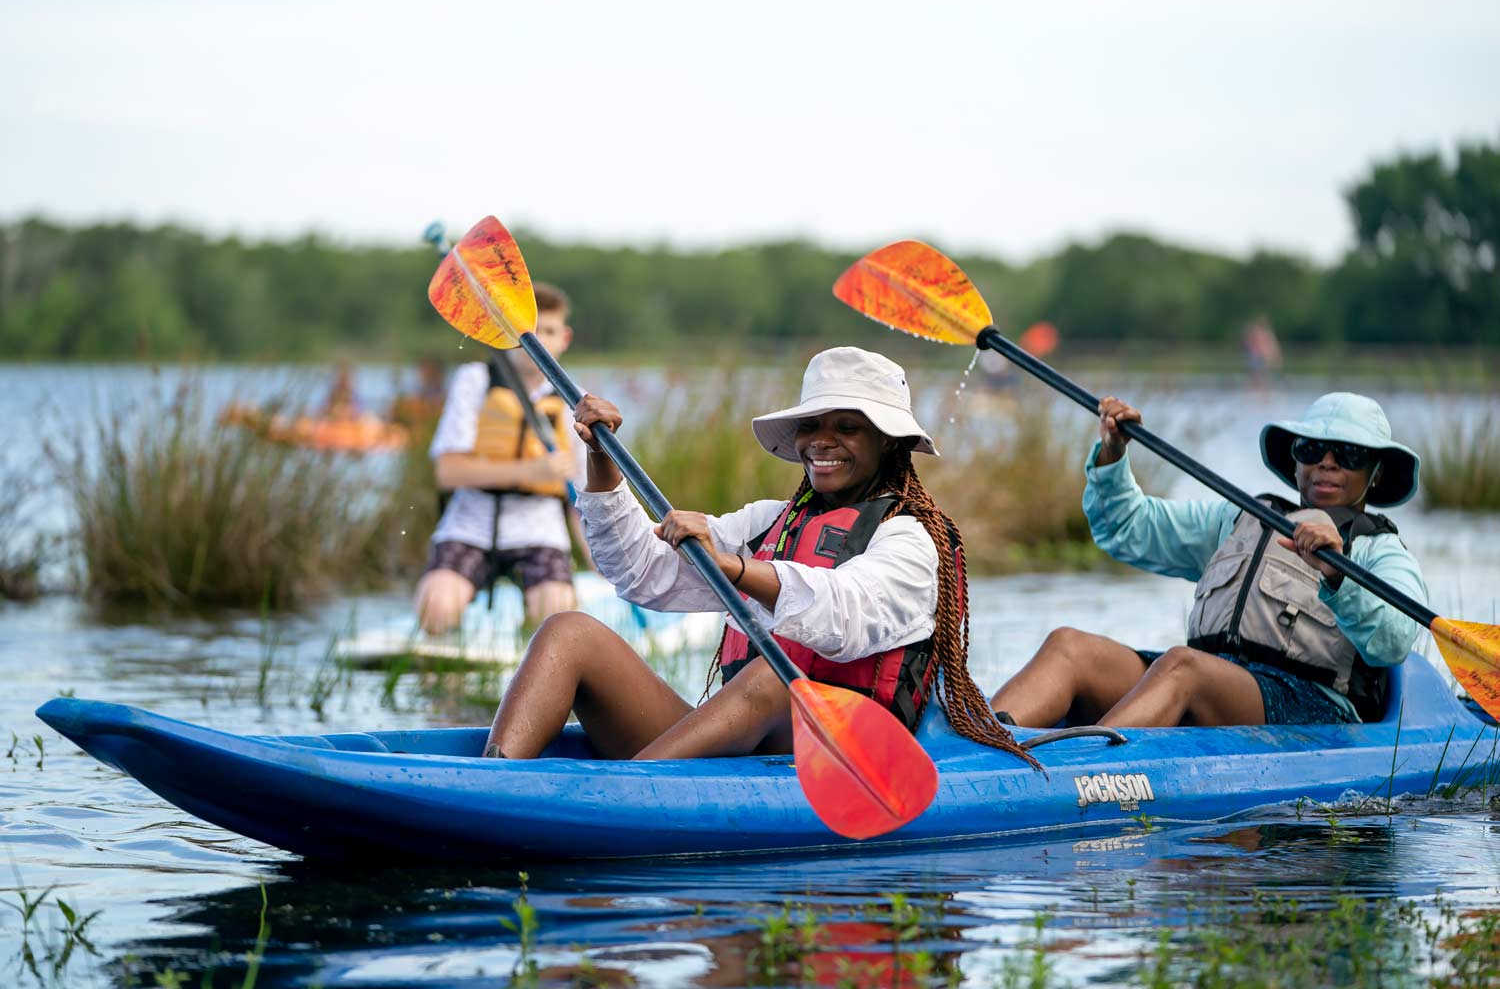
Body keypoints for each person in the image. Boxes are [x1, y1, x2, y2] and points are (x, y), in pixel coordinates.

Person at [481, 346, 1033, 763]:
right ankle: (496, 788)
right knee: (569, 632)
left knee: (775, 679)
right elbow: (641, 573)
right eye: (811, 426)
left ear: (888, 440)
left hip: (851, 757)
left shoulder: (910, 539)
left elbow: (843, 615)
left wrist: (737, 569)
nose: (822, 440)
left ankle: (623, 793)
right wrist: (601, 462)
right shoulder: (770, 520)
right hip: (746, 743)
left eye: (847, 428)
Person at [989, 391, 1426, 729]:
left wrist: (1336, 573)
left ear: (1376, 471)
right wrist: (1113, 454)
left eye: (1348, 455)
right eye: (1311, 450)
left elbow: (1393, 641)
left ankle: (1081, 771)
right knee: (1070, 646)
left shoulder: (1377, 550)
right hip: (1210, 679)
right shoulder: (1240, 517)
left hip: (1310, 704)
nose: (1326, 464)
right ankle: (975, 747)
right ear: (1294, 461)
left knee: (1183, 667)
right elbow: (1128, 528)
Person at [413, 283, 587, 633]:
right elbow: (448, 471)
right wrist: (529, 470)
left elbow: (581, 499)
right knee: (437, 606)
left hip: (540, 532)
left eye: (548, 332)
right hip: (471, 526)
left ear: (564, 339)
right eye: (529, 333)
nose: (538, 343)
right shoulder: (474, 380)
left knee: (555, 617)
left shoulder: (576, 401)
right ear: (510, 334)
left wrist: (604, 566)